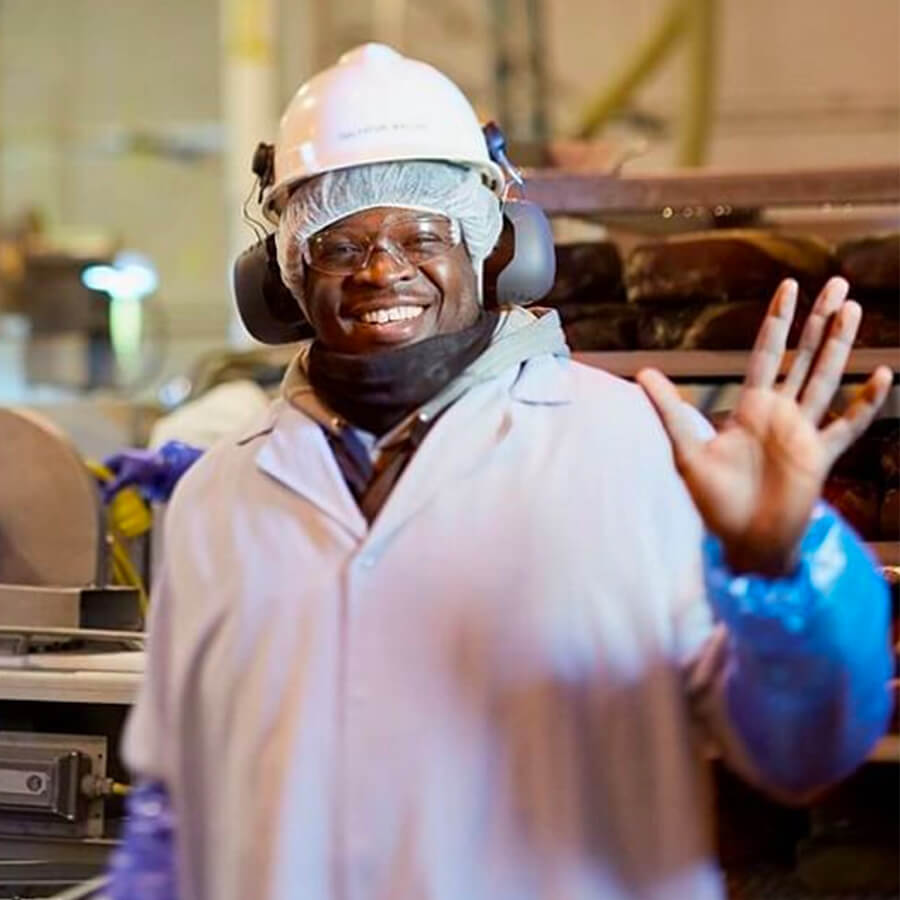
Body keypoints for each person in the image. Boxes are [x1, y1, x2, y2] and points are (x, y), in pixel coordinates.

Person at [107, 44, 893, 900]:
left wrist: (782, 568)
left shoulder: (636, 450)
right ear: (284, 275)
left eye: (424, 234)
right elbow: (176, 801)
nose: (381, 271)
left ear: (495, 249)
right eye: (341, 244)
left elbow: (802, 750)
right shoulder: (218, 494)